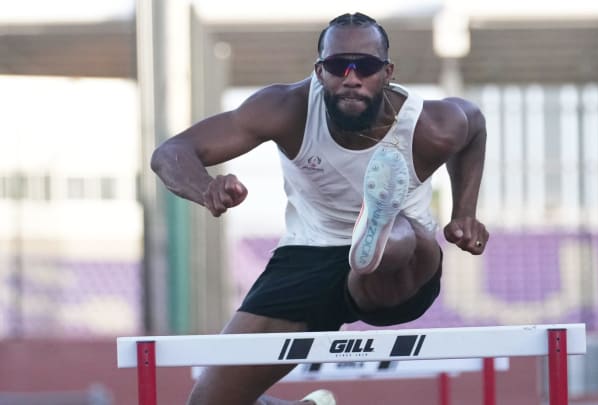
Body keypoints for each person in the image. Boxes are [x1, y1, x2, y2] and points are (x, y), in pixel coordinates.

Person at [151, 12, 489, 405]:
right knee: (208, 404)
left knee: (398, 234)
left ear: (387, 72)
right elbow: (170, 153)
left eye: (365, 66)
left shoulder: (430, 125)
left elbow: (475, 127)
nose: (351, 77)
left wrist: (464, 212)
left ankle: (377, 232)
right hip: (308, 257)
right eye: (336, 66)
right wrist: (205, 187)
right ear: (319, 72)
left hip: (400, 270)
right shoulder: (285, 109)